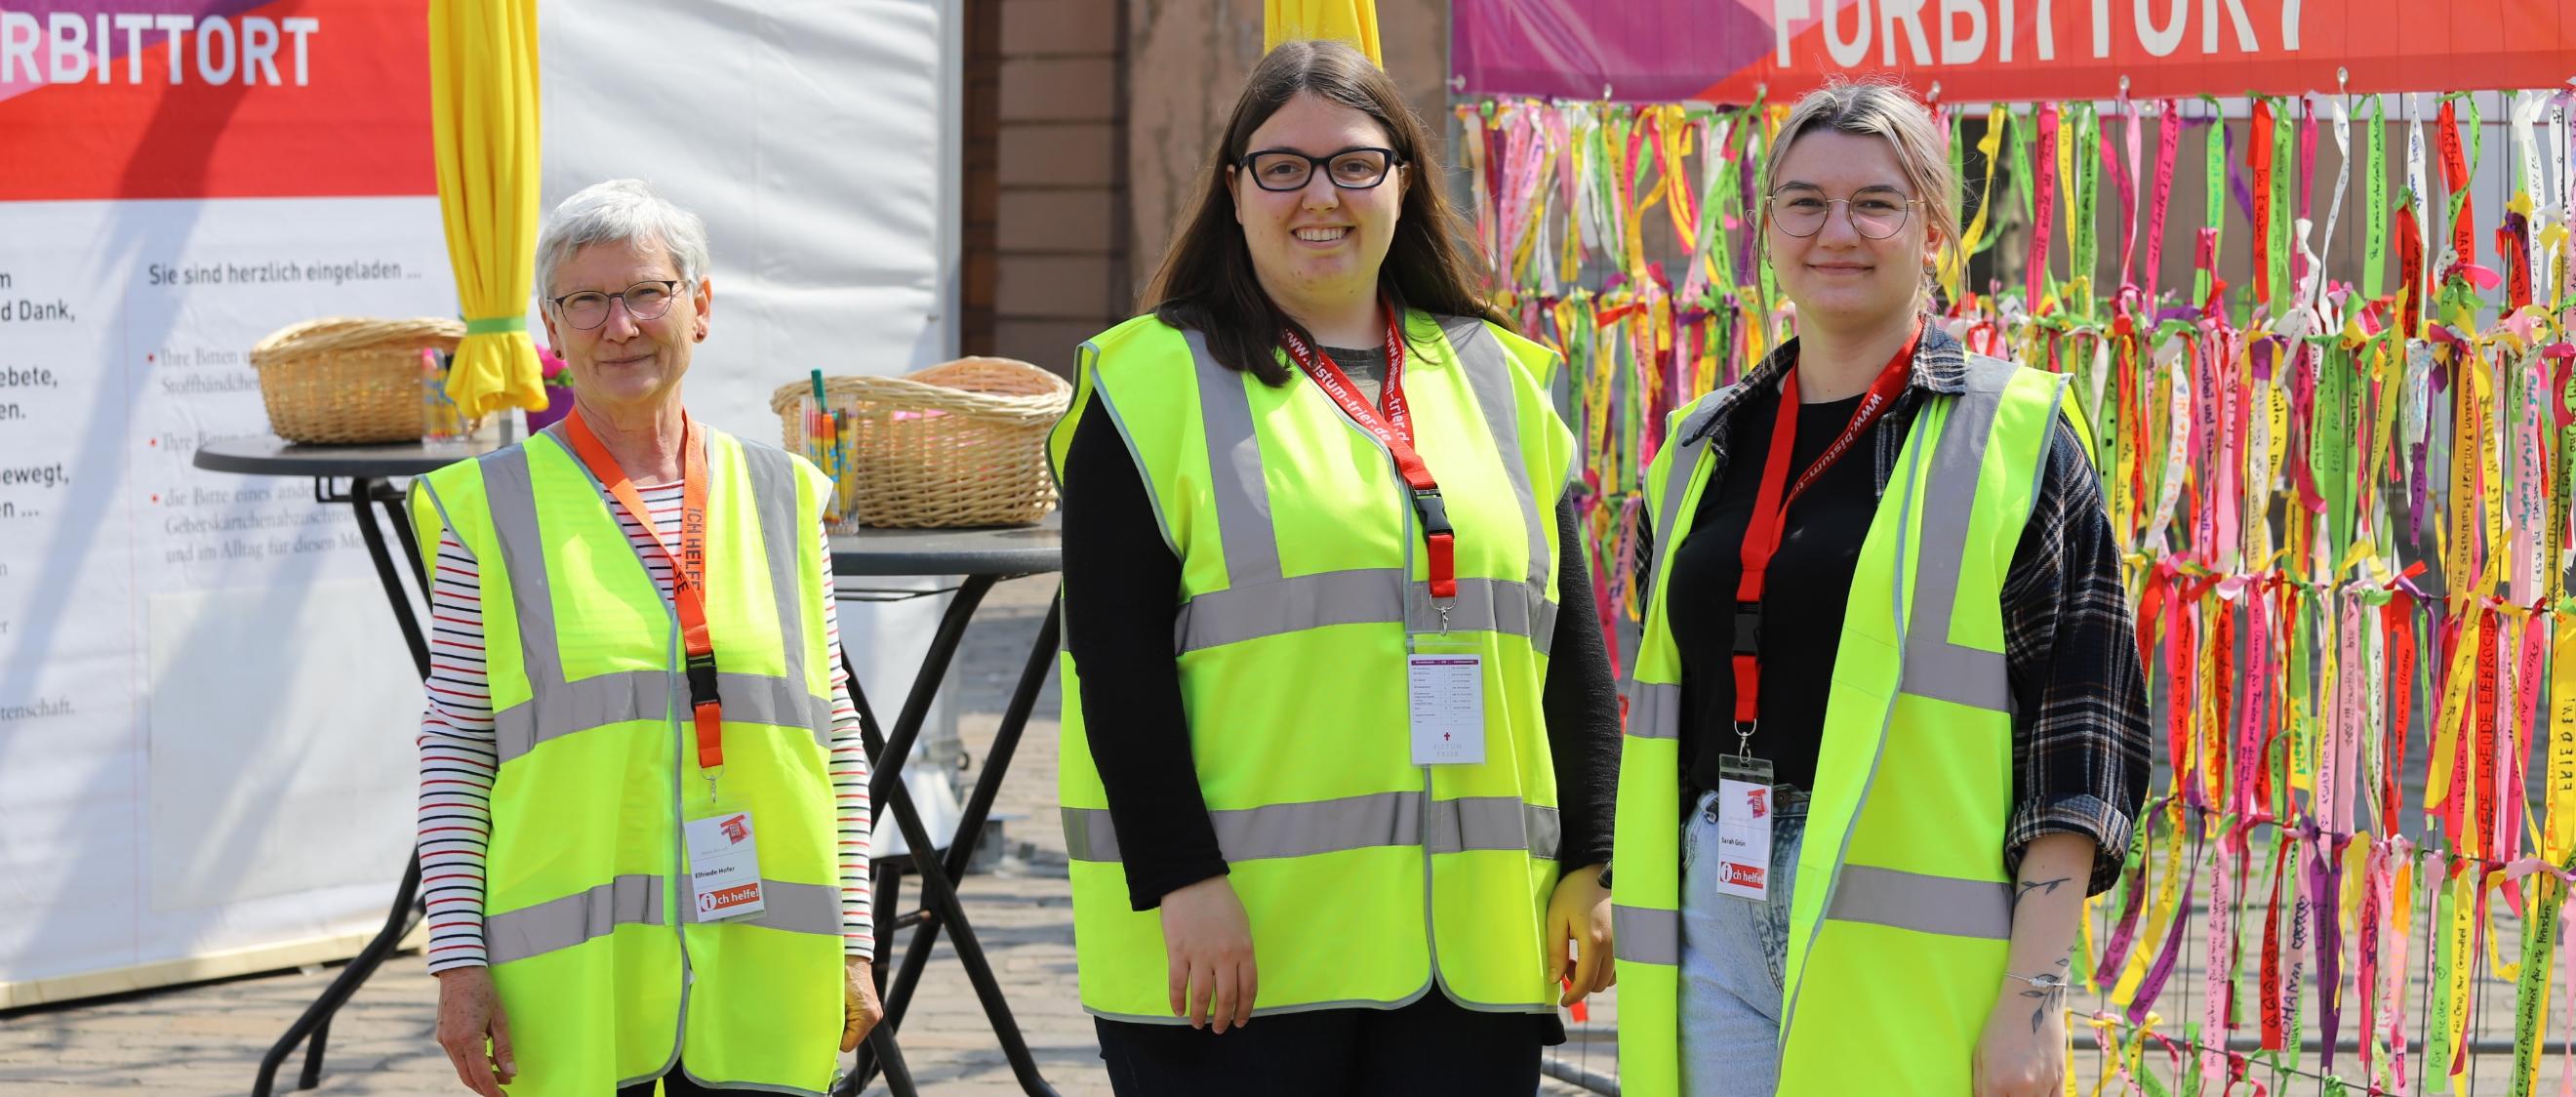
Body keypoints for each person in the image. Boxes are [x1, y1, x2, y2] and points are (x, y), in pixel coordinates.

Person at [1049, 39, 1623, 1096]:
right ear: (1234, 189)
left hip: (1475, 951)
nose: (1321, 194)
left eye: (1355, 163)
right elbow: (1115, 667)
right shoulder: (1148, 382)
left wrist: (1595, 858)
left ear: (1403, 179)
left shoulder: (1498, 376)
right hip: (1239, 951)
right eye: (1283, 166)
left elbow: (1569, 646)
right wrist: (1184, 877)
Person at [1608, 81, 2151, 1096]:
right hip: (1711, 913)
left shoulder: (2015, 437)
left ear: (1934, 228)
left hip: (1906, 944)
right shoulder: (1698, 448)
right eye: (1805, 202)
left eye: (1877, 202)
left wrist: (2033, 998)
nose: (1837, 231)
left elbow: (2079, 742)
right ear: (1765, 227)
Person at [410, 179, 883, 1097]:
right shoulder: (489, 508)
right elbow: (458, 752)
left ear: (698, 308)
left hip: (761, 965)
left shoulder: (784, 496)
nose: (618, 326)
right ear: (551, 327)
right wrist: (458, 966)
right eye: (584, 302)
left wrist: (855, 943)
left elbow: (837, 742)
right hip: (571, 984)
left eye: (645, 293)